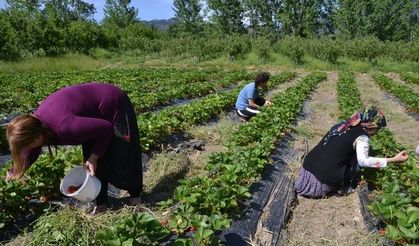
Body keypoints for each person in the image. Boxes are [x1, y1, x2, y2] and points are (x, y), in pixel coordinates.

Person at [5, 82, 142, 214]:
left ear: (37, 138)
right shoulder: (35, 127)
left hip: (112, 103)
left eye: (26, 145)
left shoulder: (65, 127)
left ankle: (135, 197)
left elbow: (106, 128)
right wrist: (14, 173)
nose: (26, 149)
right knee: (92, 165)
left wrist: (94, 156)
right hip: (89, 116)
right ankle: (101, 205)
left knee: (123, 153)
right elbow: (29, 152)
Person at [295, 106, 409, 198]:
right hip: (321, 181)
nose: (377, 132)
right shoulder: (362, 136)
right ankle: (344, 187)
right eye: (378, 129)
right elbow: (364, 161)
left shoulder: (345, 124)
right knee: (357, 160)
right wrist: (394, 159)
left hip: (307, 170)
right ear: (372, 126)